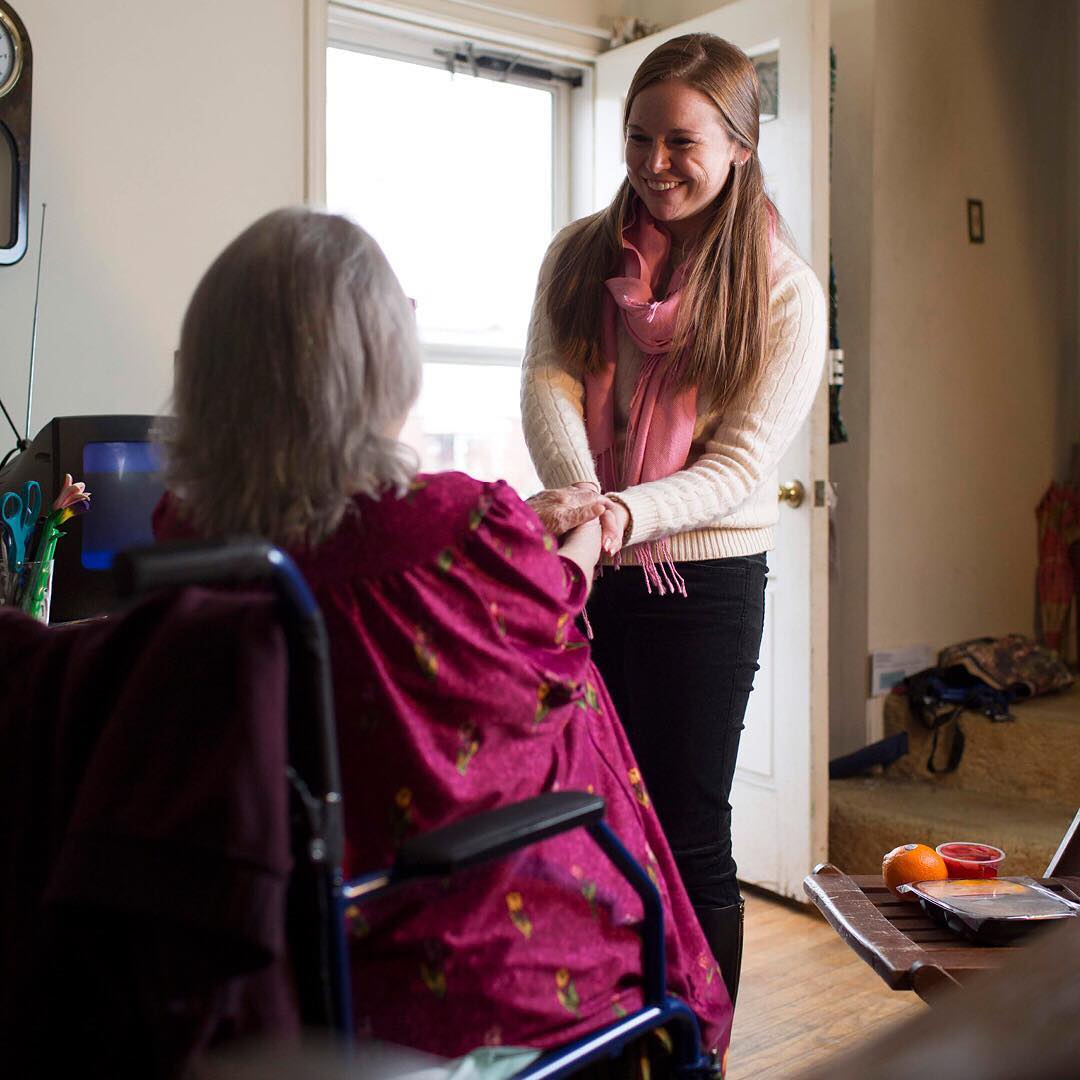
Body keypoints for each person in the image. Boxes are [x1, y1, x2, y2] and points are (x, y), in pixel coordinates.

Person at [154, 207, 733, 1064]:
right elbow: (552, 601)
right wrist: (589, 527)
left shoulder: (186, 537)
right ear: (377, 366)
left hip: (271, 937)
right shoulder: (460, 523)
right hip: (466, 952)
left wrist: (524, 521)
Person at [520, 33, 827, 1007]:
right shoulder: (579, 254)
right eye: (638, 137)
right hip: (585, 566)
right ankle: (610, 1032)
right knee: (584, 817)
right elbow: (548, 381)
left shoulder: (785, 290)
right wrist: (584, 507)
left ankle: (698, 1050)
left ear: (740, 144)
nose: (654, 165)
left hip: (705, 587)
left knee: (688, 832)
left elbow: (738, 467)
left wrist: (614, 516)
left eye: (681, 142)